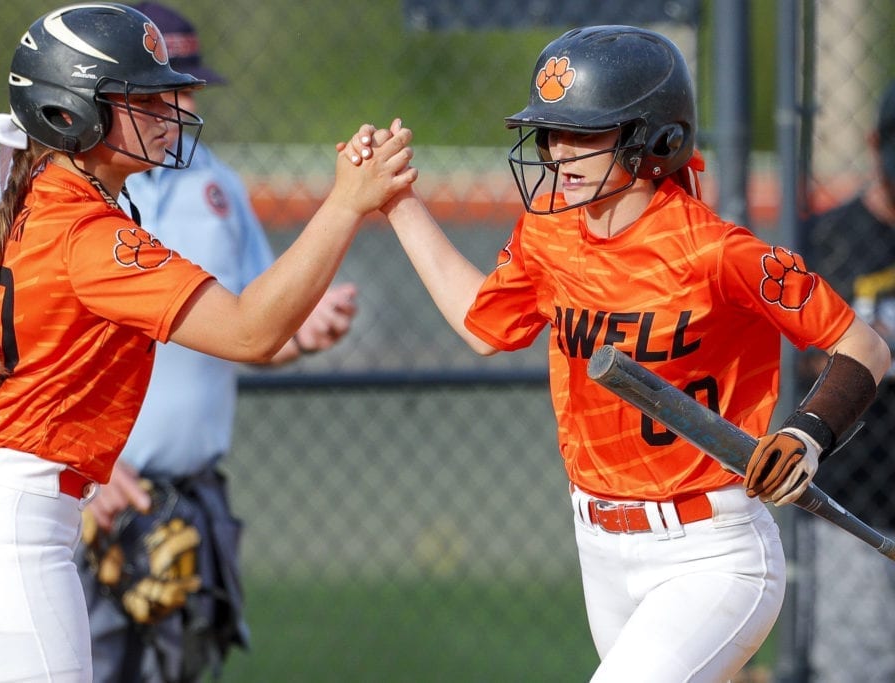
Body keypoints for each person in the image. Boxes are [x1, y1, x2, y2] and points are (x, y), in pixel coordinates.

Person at [343, 25, 891, 682]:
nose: (556, 150)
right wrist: (399, 200)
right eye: (550, 132)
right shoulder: (548, 234)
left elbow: (863, 342)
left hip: (710, 549)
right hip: (599, 541)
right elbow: (483, 326)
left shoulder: (716, 251)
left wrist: (807, 435)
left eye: (583, 132)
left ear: (652, 139)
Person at [0, 3, 415, 680]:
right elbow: (252, 331)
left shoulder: (23, 205)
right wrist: (347, 203)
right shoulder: (88, 233)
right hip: (7, 531)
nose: (169, 110)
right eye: (143, 96)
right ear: (68, 112)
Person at [802, 80, 895, 683]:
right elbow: (801, 356)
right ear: (873, 145)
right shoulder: (826, 240)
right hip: (851, 508)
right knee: (853, 668)